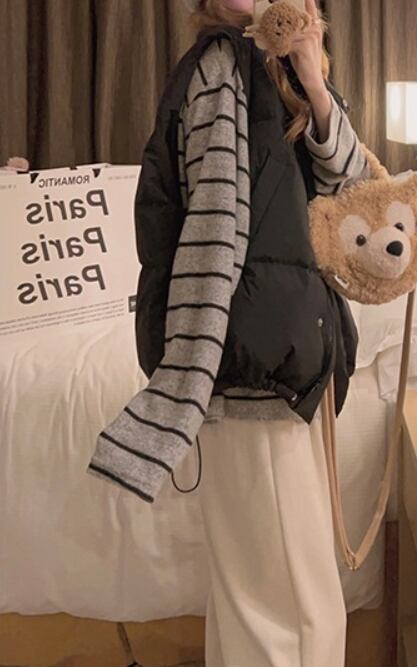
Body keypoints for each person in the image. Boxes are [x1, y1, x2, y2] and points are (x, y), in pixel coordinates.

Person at [87, 0, 370, 665]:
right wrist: (190, 373)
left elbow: (353, 197)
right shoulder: (220, 69)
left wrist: (314, 81)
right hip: (252, 371)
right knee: (297, 610)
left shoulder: (274, 71)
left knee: (254, 596)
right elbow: (211, 234)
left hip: (279, 361)